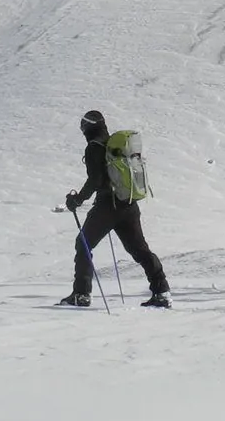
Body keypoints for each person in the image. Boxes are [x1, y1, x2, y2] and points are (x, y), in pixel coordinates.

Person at [62, 109, 171, 308]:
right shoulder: (114, 145)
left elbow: (95, 180)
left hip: (107, 205)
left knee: (83, 244)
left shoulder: (95, 147)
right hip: (129, 203)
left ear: (87, 127)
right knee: (140, 250)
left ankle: (81, 294)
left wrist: (77, 199)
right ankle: (162, 291)